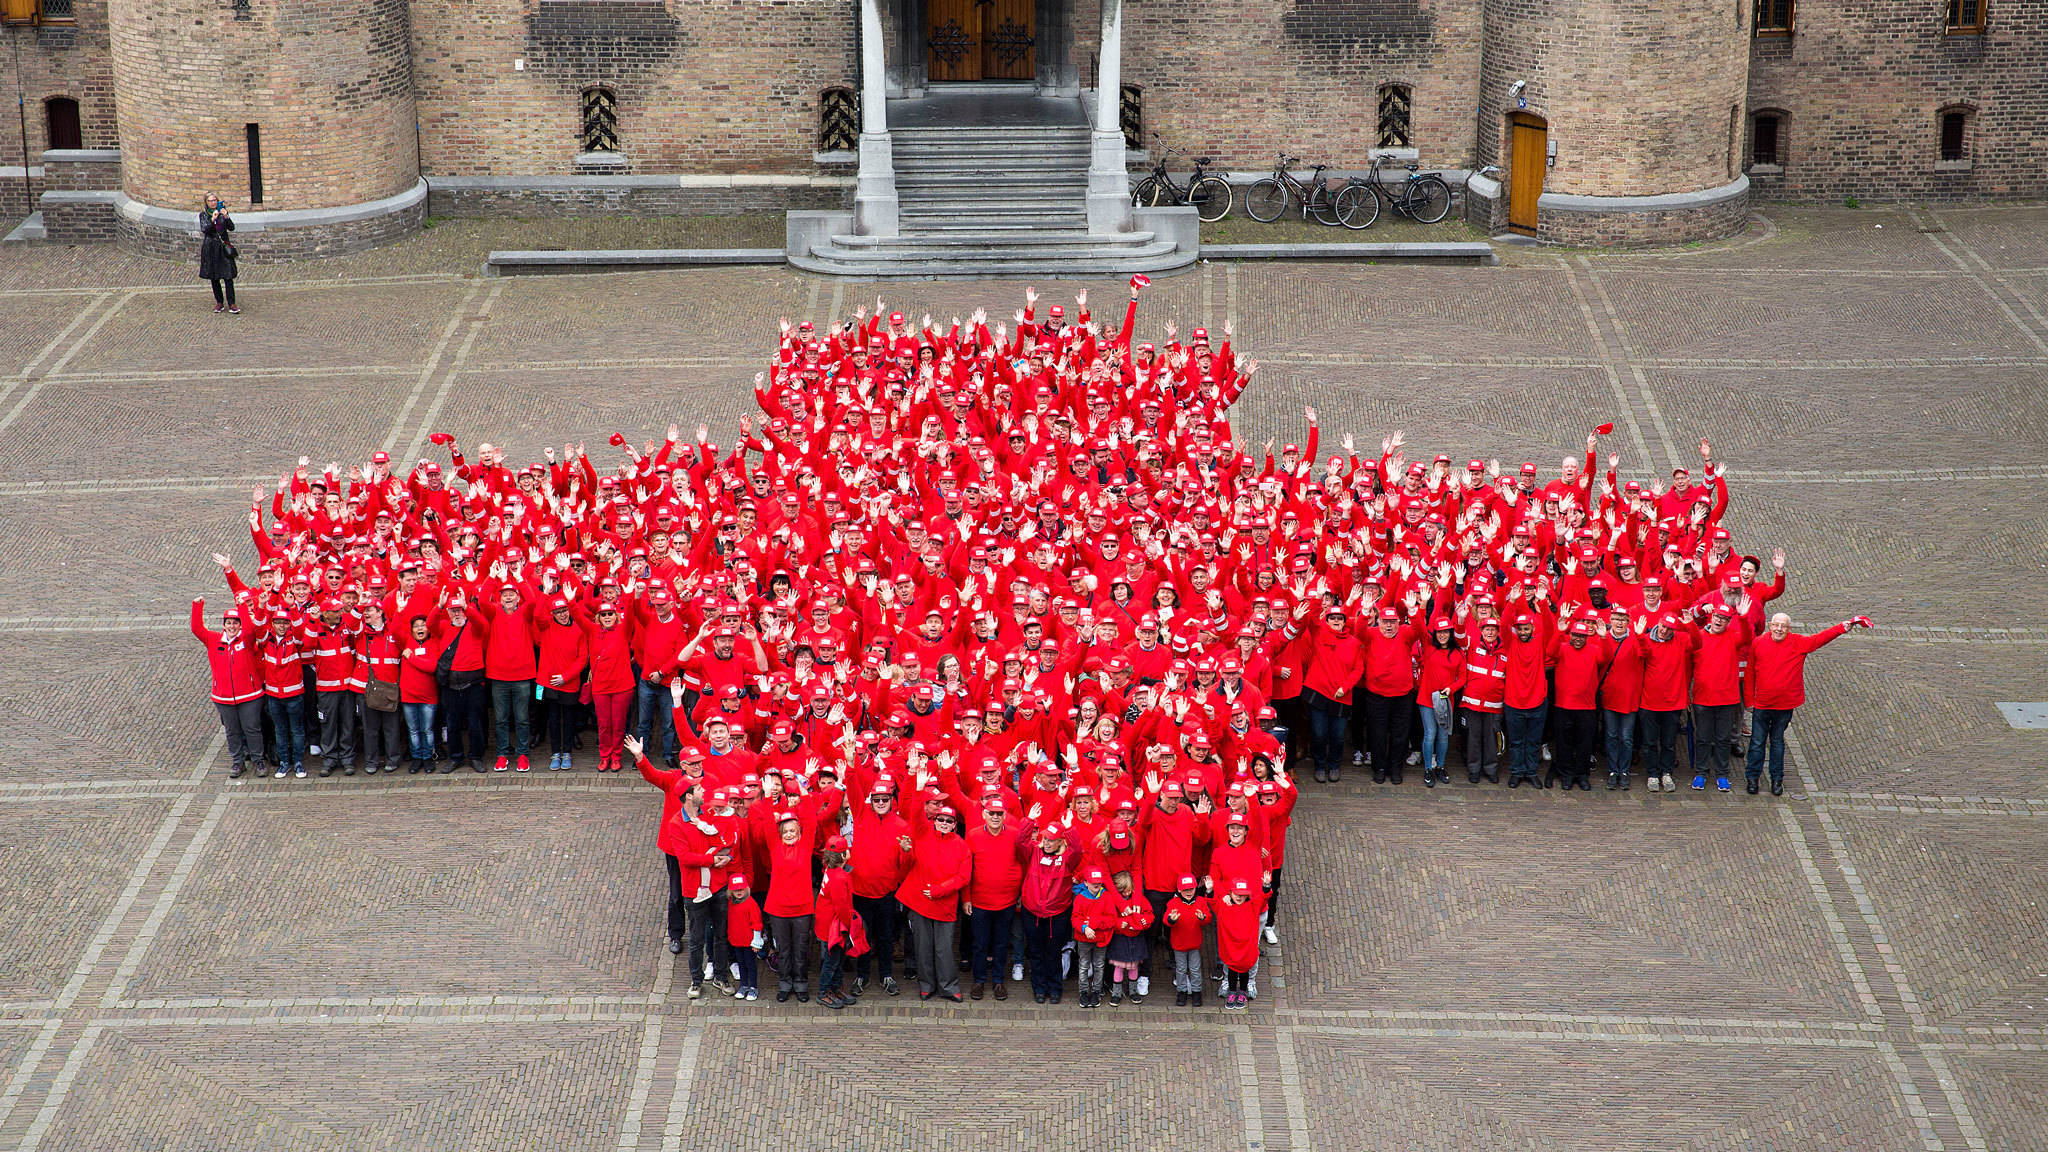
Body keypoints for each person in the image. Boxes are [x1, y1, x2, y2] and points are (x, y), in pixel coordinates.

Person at [1746, 614, 1870, 795]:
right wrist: (1749, 700)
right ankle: (1752, 778)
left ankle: (1777, 779)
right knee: (1757, 742)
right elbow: (1750, 672)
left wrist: (1841, 628)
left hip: (1784, 705)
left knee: (1777, 742)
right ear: (1770, 626)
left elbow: (1819, 639)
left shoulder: (1798, 643)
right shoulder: (1758, 643)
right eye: (1776, 625)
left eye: (1783, 626)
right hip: (1762, 704)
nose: (1779, 629)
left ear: (1788, 629)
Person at [898, 804, 972, 1002]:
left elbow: (963, 877)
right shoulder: (922, 835)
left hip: (944, 903)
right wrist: (919, 789)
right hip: (920, 901)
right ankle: (926, 985)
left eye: (949, 821)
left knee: (944, 949)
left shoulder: (962, 846)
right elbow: (915, 813)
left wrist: (939, 890)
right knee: (922, 947)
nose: (944, 823)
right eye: (940, 819)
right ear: (933, 820)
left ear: (955, 824)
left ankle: (948, 987)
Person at [191, 597, 264, 777]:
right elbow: (197, 629)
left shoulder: (246, 639)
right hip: (223, 697)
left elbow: (250, 629)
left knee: (252, 730)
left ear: (240, 625)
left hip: (249, 696)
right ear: (224, 625)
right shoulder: (213, 639)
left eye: (235, 623)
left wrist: (242, 606)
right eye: (229, 623)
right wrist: (197, 606)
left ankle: (258, 761)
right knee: (232, 731)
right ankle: (237, 762)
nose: (232, 626)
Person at [1215, 876, 1267, 1011]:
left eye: (1242, 895)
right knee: (1232, 971)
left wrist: (1266, 886)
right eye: (1236, 894)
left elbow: (1263, 898)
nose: (1239, 897)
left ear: (1247, 895)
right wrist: (1209, 891)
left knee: (1245, 972)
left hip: (1246, 949)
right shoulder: (1225, 906)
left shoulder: (1253, 906)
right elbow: (1214, 904)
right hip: (1232, 948)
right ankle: (1232, 992)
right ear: (1230, 893)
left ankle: (1242, 992)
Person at [1162, 873, 1211, 1007]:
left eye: (1191, 889)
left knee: (1195, 969)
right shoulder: (1172, 903)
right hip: (1179, 944)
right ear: (1179, 890)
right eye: (1185, 890)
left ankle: (1196, 992)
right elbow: (1166, 920)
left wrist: (1203, 918)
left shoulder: (1201, 901)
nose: (1189, 892)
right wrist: (1172, 919)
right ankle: (1181, 992)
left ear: (1196, 888)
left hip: (1194, 944)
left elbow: (1208, 918)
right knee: (1181, 969)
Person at [723, 873, 763, 1000]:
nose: (739, 892)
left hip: (749, 942)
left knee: (750, 964)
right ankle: (744, 985)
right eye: (736, 890)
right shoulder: (730, 903)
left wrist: (756, 941)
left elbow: (757, 923)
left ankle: (753, 987)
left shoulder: (751, 904)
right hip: (736, 941)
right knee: (741, 963)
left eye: (741, 889)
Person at [199, 193, 239, 314]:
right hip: (211, 247)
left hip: (223, 247)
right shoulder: (204, 215)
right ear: (206, 203)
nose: (213, 203)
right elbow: (205, 229)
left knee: (228, 276)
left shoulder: (222, 212)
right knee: (214, 276)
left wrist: (226, 217)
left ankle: (232, 303)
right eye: (210, 201)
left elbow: (231, 227)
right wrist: (213, 219)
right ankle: (219, 302)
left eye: (215, 200)